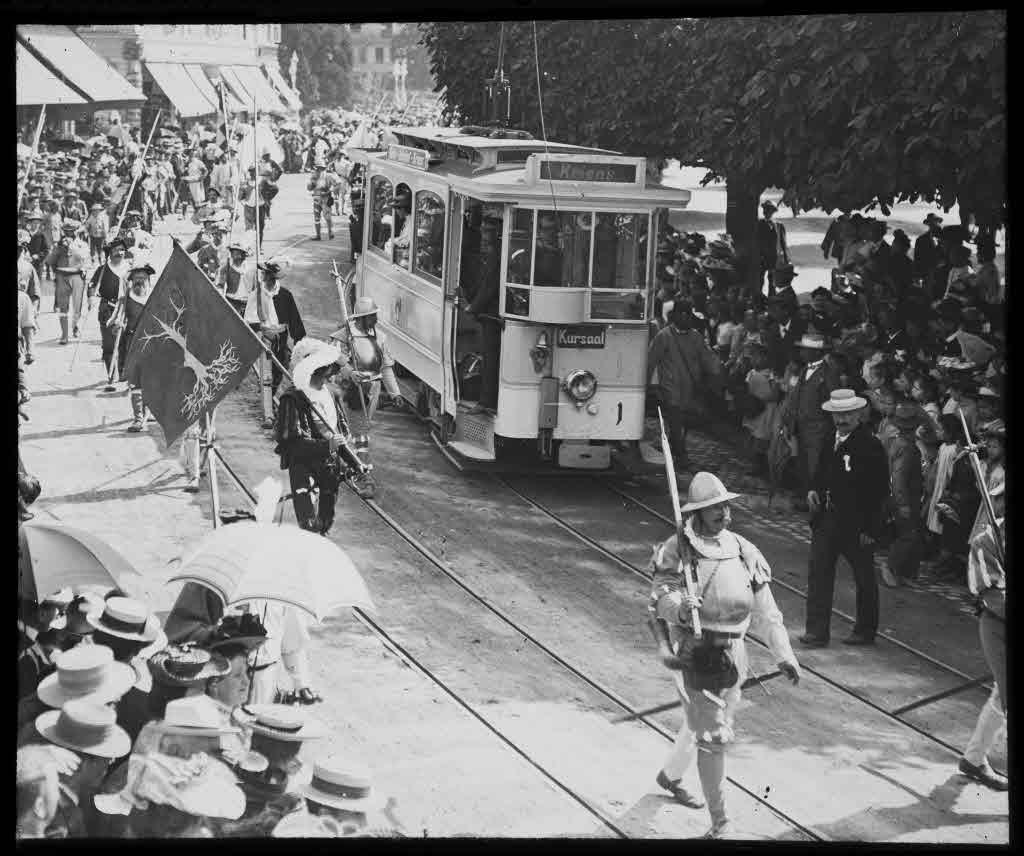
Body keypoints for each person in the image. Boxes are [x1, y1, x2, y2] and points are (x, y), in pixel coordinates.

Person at [649, 472, 801, 839]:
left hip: (735, 654)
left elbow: (767, 611)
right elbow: (659, 597)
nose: (723, 513)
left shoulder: (744, 550)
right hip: (694, 653)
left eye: (725, 506)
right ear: (697, 512)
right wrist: (680, 607)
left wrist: (784, 653)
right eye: (714, 507)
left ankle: (670, 776)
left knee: (706, 723)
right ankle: (721, 824)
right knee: (713, 735)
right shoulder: (677, 548)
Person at [800, 389, 889, 647]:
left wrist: (871, 529)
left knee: (864, 577)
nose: (842, 419)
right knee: (819, 574)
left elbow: (879, 491)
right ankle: (816, 632)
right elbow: (820, 471)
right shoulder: (830, 437)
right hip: (827, 520)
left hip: (857, 525)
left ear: (859, 414)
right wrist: (813, 490)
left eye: (848, 414)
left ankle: (865, 630)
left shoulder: (870, 445)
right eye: (837, 414)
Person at [275, 340, 355, 534]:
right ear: (320, 369)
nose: (335, 370)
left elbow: (341, 431)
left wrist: (354, 463)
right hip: (304, 467)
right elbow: (292, 444)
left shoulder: (331, 394)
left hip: (329, 468)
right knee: (309, 525)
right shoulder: (293, 398)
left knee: (325, 523)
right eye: (331, 366)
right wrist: (327, 446)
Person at [957, 481, 1006, 791]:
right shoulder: (985, 542)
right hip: (998, 625)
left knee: (1001, 695)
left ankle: (974, 759)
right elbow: (991, 594)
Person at [647, 302, 723, 470]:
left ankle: (674, 447)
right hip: (670, 388)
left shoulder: (696, 337)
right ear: (675, 316)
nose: (686, 318)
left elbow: (708, 359)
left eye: (688, 315)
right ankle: (681, 456)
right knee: (675, 421)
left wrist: (718, 371)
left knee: (684, 420)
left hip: (690, 389)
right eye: (683, 314)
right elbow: (651, 361)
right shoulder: (664, 336)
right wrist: (650, 386)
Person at [783, 333, 841, 512]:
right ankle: (804, 497)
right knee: (803, 463)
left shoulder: (828, 374)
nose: (801, 353)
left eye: (805, 350)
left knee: (815, 466)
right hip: (801, 426)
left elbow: (834, 402)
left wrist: (831, 428)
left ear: (816, 353)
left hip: (818, 429)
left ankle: (816, 501)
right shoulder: (804, 370)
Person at [330, 296, 402, 425]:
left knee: (364, 425)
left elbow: (385, 368)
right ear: (361, 318)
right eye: (372, 316)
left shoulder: (380, 337)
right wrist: (350, 373)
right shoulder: (343, 335)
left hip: (372, 389)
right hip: (350, 389)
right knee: (350, 425)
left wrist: (395, 393)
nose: (376, 320)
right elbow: (335, 360)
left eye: (375, 315)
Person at [882, 403, 924, 587]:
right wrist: (903, 503)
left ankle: (906, 573)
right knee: (908, 535)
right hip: (906, 497)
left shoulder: (896, 442)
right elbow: (898, 477)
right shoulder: (907, 448)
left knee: (911, 534)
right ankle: (891, 566)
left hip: (903, 495)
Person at [113, 261, 156, 431]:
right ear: (131, 281)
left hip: (152, 343)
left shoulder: (155, 297)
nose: (139, 281)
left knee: (151, 379)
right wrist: (118, 323)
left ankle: (149, 411)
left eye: (143, 278)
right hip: (132, 343)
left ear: (148, 280)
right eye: (136, 278)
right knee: (135, 380)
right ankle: (138, 418)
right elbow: (118, 317)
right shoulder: (125, 299)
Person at [86, 236, 130, 381]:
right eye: (116, 250)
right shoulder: (103, 269)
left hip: (127, 309)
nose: (120, 253)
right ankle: (111, 374)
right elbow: (92, 285)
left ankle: (123, 373)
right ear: (110, 253)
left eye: (122, 250)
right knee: (109, 344)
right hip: (108, 309)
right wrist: (91, 297)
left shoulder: (130, 268)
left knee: (124, 342)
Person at [45, 220, 91, 344]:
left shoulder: (82, 244)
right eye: (66, 231)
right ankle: (64, 334)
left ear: (76, 232)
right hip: (62, 276)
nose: (69, 234)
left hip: (77, 276)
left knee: (77, 306)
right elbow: (50, 261)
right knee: (63, 307)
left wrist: (72, 247)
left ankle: (75, 326)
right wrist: (58, 249)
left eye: (72, 231)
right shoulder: (59, 245)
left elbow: (85, 259)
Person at [756, 201, 790, 297]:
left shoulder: (779, 226)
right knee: (760, 280)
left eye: (770, 211)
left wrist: (786, 258)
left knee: (772, 280)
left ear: (773, 212)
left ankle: (772, 298)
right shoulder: (758, 224)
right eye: (765, 210)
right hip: (761, 257)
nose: (767, 212)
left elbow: (783, 243)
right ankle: (759, 298)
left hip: (774, 258)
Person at [18, 231, 42, 364]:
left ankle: (30, 349)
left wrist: (34, 308)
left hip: (23, 301)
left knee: (28, 324)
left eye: (20, 248)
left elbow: (35, 291)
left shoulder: (28, 267)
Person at [307, 160, 342, 241]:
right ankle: (318, 235)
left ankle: (330, 232)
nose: (319, 170)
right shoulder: (314, 176)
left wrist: (329, 191)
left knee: (327, 217)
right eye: (317, 168)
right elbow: (309, 188)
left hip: (325, 199)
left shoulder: (328, 176)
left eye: (321, 168)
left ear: (324, 168)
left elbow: (338, 184)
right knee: (317, 218)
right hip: (316, 199)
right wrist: (312, 183)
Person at [220, 241, 254, 316]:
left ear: (242, 254)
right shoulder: (227, 268)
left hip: (246, 303)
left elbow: (254, 288)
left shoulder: (250, 269)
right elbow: (220, 285)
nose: (232, 254)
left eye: (235, 251)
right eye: (232, 251)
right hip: (232, 302)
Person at [913, 213, 944, 282]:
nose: (933, 224)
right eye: (931, 223)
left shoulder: (946, 237)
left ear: (939, 222)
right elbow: (917, 259)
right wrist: (917, 276)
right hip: (928, 275)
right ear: (928, 224)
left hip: (944, 274)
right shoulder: (921, 240)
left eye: (935, 222)